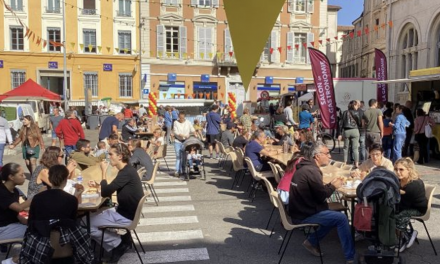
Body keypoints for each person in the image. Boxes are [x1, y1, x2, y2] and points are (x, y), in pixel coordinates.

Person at [289, 142, 354, 264]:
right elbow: (322, 197)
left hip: (299, 210)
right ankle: (350, 258)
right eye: (327, 153)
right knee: (341, 218)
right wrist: (333, 186)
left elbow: (318, 193)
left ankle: (311, 241)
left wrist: (330, 185)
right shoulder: (312, 171)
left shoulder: (306, 167)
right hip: (304, 214)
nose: (330, 156)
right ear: (317, 156)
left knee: (333, 216)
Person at [19, 164, 90, 264]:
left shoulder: (38, 198)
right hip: (64, 247)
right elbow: (72, 223)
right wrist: (76, 196)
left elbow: (31, 222)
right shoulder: (71, 200)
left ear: (49, 179)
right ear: (66, 180)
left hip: (40, 247)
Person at [90, 143, 143, 263]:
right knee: (90, 216)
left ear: (120, 156)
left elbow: (105, 193)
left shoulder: (126, 172)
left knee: (88, 224)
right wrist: (100, 185)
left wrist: (103, 171)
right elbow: (111, 187)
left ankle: (117, 243)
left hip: (125, 216)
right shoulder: (127, 170)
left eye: (110, 154)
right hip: (124, 211)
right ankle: (122, 239)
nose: (108, 157)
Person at [393, 158, 428, 252]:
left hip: (418, 209)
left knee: (396, 216)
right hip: (405, 204)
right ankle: (405, 234)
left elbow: (403, 206)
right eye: (396, 169)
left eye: (401, 169)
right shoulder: (399, 180)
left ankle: (405, 238)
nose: (398, 172)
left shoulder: (414, 184)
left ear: (409, 170)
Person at [0, 163, 30, 246]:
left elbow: (16, 214)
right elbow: (19, 208)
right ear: (11, 177)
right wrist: (37, 197)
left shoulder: (15, 191)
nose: (24, 177)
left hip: (11, 225)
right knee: (34, 233)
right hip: (3, 228)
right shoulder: (2, 192)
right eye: (21, 175)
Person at [339, 100, 361, 168]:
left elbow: (341, 124)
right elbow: (359, 123)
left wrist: (340, 133)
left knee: (346, 148)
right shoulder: (356, 112)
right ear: (354, 105)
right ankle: (356, 163)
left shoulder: (345, 112)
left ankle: (345, 162)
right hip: (355, 130)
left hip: (346, 131)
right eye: (356, 105)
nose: (357, 106)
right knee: (355, 148)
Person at [173, 112, 195, 177]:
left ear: (184, 117)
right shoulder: (175, 122)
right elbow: (175, 131)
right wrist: (181, 134)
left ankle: (183, 169)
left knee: (185, 156)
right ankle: (177, 170)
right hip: (178, 140)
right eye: (180, 118)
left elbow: (192, 129)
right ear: (178, 117)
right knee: (178, 156)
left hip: (186, 141)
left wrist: (194, 133)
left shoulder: (188, 122)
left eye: (182, 118)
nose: (181, 119)